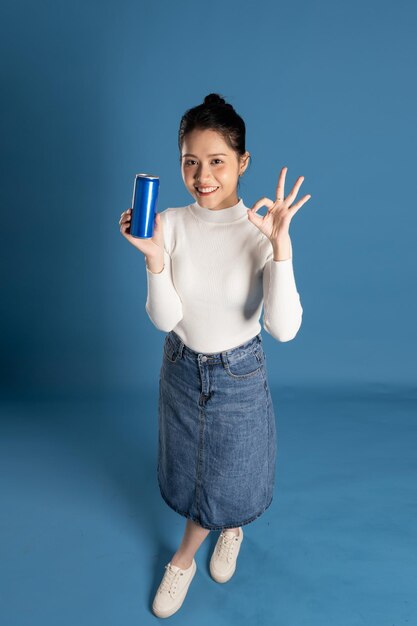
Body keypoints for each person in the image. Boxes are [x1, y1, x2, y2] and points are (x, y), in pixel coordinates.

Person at [119, 93, 311, 618]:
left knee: (233, 473)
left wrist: (280, 247)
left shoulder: (260, 228)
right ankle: (226, 523)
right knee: (192, 470)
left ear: (243, 162)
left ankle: (185, 556)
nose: (203, 176)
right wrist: (155, 257)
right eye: (190, 162)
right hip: (180, 368)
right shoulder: (172, 223)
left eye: (217, 161)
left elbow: (284, 329)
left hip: (239, 373)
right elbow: (164, 319)